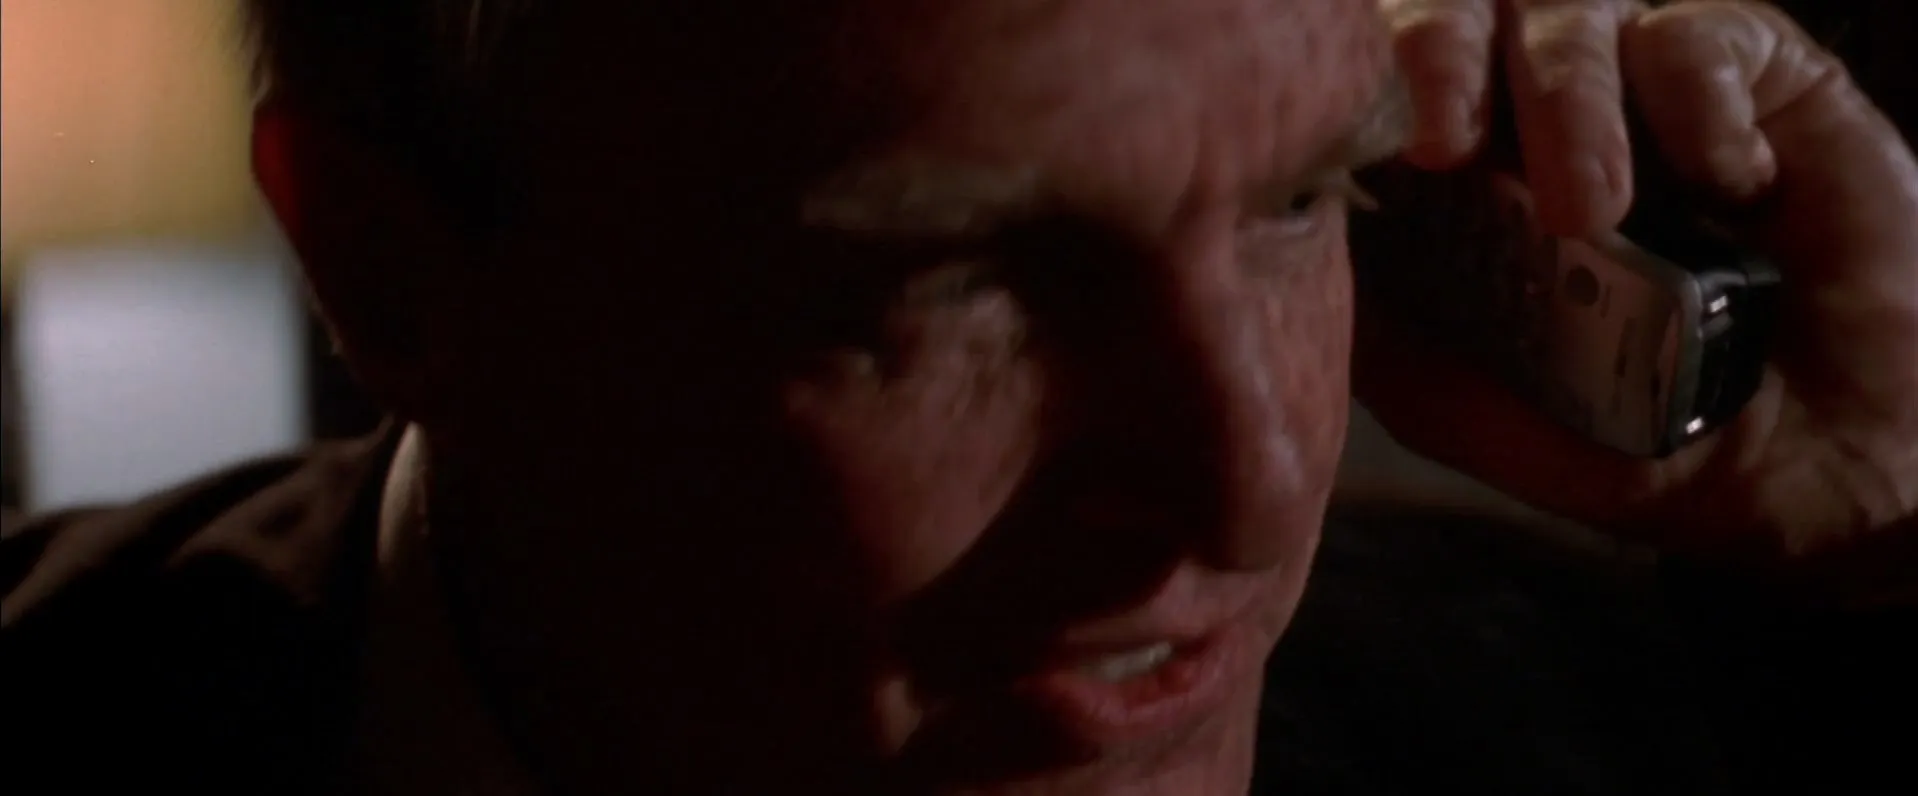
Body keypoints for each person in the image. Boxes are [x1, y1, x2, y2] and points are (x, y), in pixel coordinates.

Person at [4, 0, 1913, 793]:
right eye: (961, 284)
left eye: (1299, 203)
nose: (1259, 482)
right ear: (385, 268)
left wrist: (1885, 507)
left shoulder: (1562, 723)